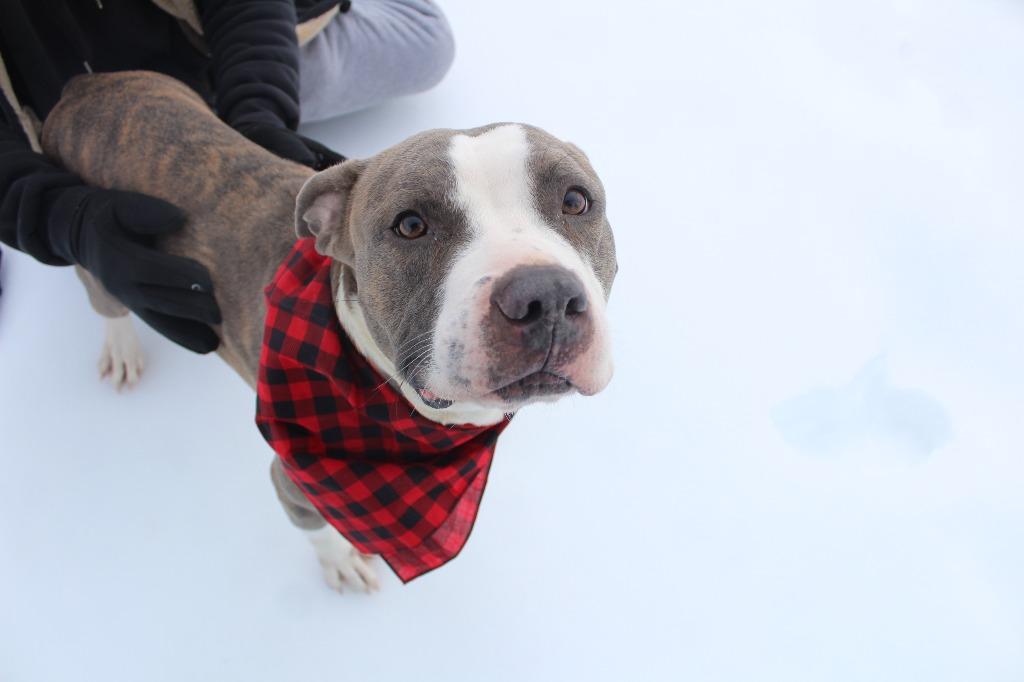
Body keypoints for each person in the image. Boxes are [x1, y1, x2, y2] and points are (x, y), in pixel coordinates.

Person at [0, 0, 455, 353]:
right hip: (56, 127)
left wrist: (260, 104)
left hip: (209, 58)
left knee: (425, 43)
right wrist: (66, 220)